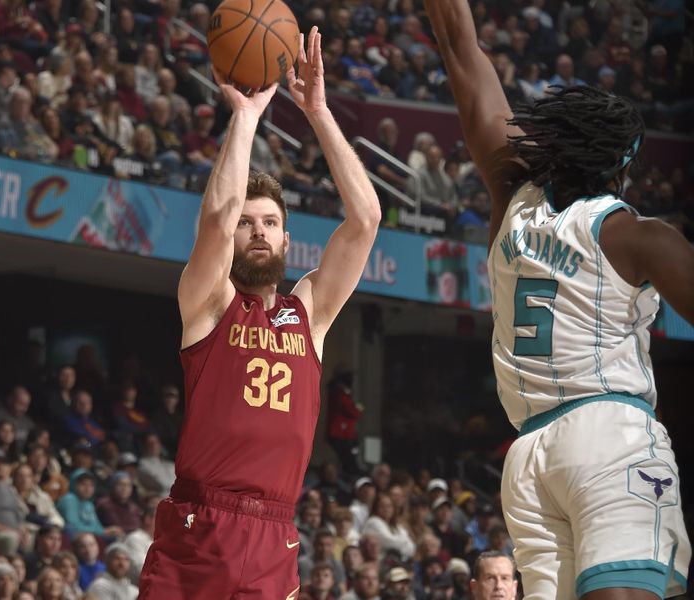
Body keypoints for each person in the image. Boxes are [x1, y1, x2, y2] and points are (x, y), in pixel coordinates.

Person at [423, 0, 694, 596]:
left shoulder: (511, 192)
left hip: (529, 454)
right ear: (621, 165)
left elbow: (461, 51)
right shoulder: (636, 235)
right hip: (609, 433)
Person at [139, 26, 381, 600]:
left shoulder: (309, 312)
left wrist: (317, 112)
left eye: (269, 223)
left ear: (287, 240)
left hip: (277, 536)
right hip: (200, 523)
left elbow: (366, 219)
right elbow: (217, 222)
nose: (257, 232)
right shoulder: (209, 303)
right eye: (250, 223)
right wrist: (246, 117)